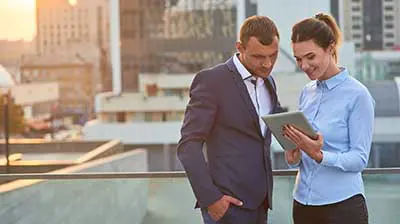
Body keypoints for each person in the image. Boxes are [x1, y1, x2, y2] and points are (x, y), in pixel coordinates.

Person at [177, 15, 284, 224]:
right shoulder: (212, 81)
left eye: (273, 55)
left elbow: (267, 131)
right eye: (258, 56)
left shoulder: (269, 82)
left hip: (260, 205)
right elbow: (188, 145)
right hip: (226, 208)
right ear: (240, 47)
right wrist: (211, 200)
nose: (267, 63)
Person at [283, 13, 375, 224]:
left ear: (330, 48)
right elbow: (300, 158)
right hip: (303, 204)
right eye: (298, 59)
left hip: (342, 207)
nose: (304, 65)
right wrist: (293, 154)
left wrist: (320, 155)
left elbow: (360, 159)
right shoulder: (306, 92)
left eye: (310, 57)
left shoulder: (358, 95)